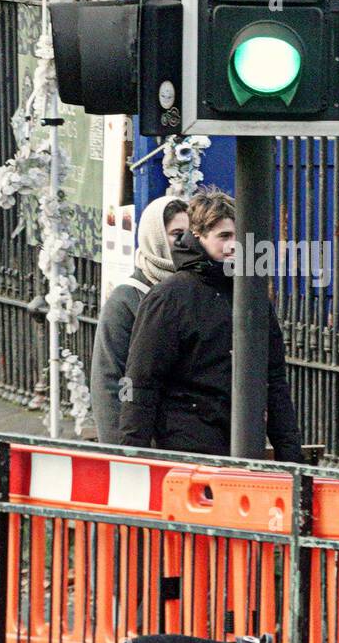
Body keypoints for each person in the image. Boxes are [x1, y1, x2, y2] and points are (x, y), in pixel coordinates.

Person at [118, 186, 304, 461]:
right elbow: (143, 381)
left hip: (241, 445)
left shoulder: (252, 296)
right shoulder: (170, 297)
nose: (232, 245)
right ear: (198, 236)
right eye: (224, 236)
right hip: (185, 447)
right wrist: (132, 458)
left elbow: (274, 381)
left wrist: (292, 458)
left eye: (238, 237)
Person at [90, 195, 188, 444]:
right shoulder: (127, 299)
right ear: (154, 236)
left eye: (190, 233)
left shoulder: (194, 290)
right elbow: (109, 378)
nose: (185, 241)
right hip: (144, 441)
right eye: (176, 233)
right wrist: (118, 451)